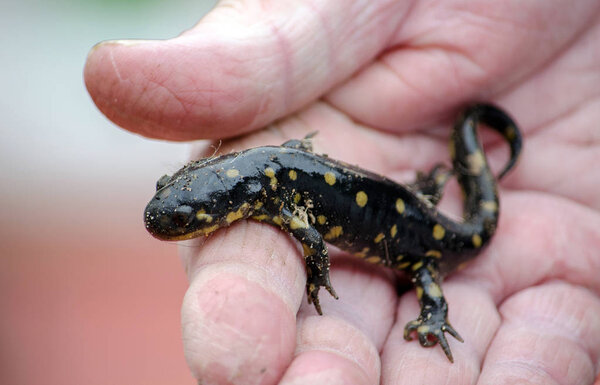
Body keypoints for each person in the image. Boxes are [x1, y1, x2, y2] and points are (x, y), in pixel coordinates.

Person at [84, 1, 600, 383]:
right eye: (181, 214)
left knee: (423, 263)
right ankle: (452, 156)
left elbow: (309, 236)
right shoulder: (258, 176)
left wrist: (318, 272)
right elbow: (292, 166)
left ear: (225, 202)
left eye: (184, 217)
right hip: (393, 205)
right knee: (398, 205)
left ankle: (436, 307)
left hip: (430, 244)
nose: (174, 223)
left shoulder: (267, 189)